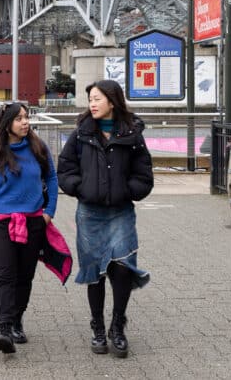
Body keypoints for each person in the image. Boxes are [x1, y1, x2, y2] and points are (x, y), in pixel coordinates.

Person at [57, 79, 153, 358]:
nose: (93, 104)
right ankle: (98, 327)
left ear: (112, 101)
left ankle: (117, 326)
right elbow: (65, 168)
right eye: (90, 100)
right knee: (95, 272)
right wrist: (80, 188)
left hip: (121, 212)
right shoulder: (82, 133)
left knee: (122, 268)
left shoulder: (132, 134)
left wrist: (127, 191)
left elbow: (144, 174)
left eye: (97, 98)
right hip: (90, 213)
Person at [0, 102, 59, 354]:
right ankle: (5, 329)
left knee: (24, 276)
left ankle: (18, 319)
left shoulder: (38, 148)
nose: (25, 122)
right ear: (7, 123)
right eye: (19, 118)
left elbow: (52, 178)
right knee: (4, 275)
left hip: (33, 221)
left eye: (26, 117)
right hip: (0, 223)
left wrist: (49, 211)